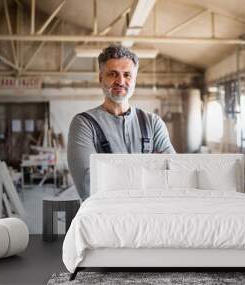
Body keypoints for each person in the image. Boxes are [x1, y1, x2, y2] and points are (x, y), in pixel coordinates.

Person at [67, 44, 175, 200]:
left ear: (134, 80)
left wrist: (111, 175)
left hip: (151, 217)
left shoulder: (153, 123)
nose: (120, 81)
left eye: (127, 75)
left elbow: (173, 175)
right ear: (100, 78)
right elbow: (88, 185)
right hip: (105, 219)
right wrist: (151, 172)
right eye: (112, 74)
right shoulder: (84, 124)